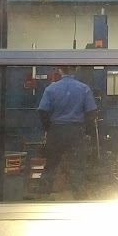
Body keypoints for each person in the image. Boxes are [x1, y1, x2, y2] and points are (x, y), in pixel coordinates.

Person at [37, 65, 97, 199]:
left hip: (56, 131)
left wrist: (48, 128)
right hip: (76, 131)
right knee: (77, 166)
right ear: (76, 70)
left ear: (60, 70)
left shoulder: (51, 89)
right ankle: (79, 197)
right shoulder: (84, 89)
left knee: (51, 164)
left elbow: (42, 112)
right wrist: (87, 131)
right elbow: (91, 113)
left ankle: (42, 196)